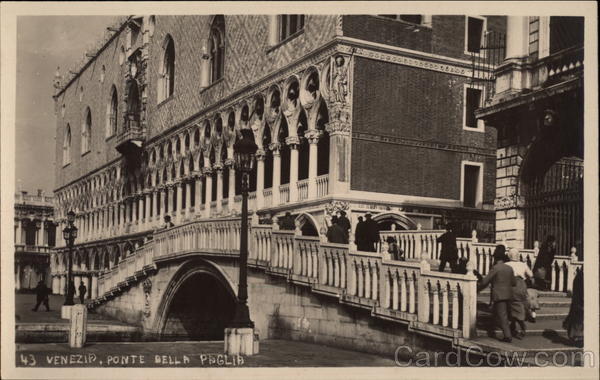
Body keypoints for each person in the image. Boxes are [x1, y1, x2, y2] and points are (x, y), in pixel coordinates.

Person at [477, 245, 516, 343]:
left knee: (502, 315)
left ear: (496, 258)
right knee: (501, 313)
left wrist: (477, 288)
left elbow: (485, 281)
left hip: (499, 295)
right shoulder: (509, 268)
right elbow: (514, 282)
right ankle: (500, 328)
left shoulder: (496, 268)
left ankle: (508, 336)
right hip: (509, 294)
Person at [506, 248, 534, 339]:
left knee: (511, 305)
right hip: (521, 285)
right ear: (518, 256)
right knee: (520, 304)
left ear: (509, 256)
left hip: (511, 285)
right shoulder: (523, 264)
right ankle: (517, 324)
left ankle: (517, 324)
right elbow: (531, 275)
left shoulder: (506, 264)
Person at [563, 270, 583, 347]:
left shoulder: (579, 276)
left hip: (579, 302)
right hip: (579, 302)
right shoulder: (580, 277)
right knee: (578, 319)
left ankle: (577, 337)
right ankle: (578, 338)